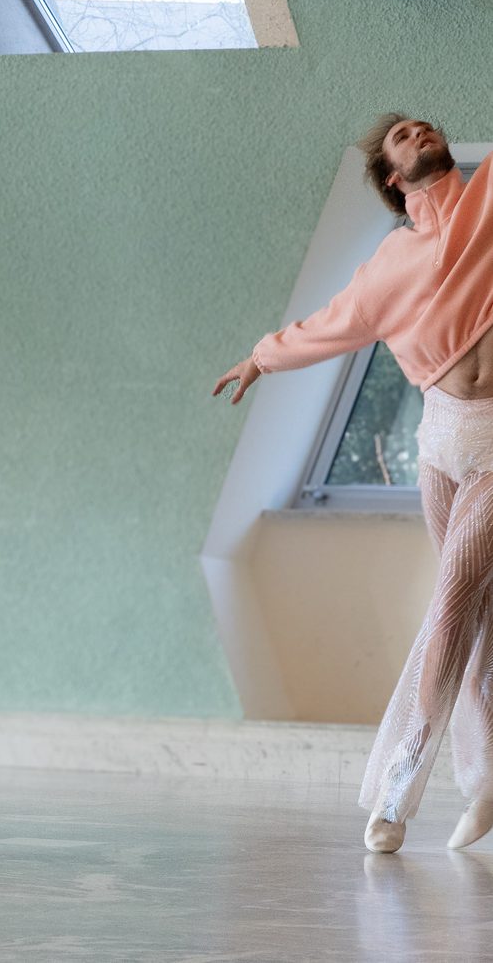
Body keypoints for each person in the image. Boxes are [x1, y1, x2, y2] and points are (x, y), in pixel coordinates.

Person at [213, 115, 493, 854]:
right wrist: (261, 359)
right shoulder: (389, 263)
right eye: (399, 135)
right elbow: (332, 323)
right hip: (442, 443)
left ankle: (398, 791)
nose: (414, 128)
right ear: (392, 179)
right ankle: (486, 779)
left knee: (454, 595)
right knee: (475, 614)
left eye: (419, 124)